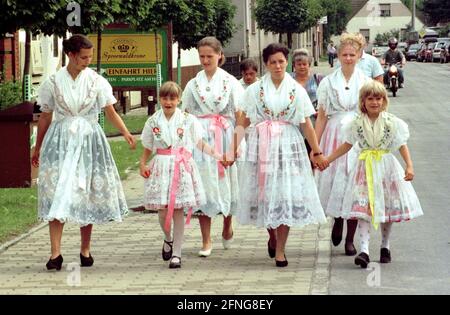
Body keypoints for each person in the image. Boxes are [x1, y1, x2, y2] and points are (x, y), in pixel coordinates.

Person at [31, 34, 136, 271]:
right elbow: (46, 115)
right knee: (56, 191)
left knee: (85, 191)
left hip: (89, 140)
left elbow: (109, 111)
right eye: (83, 57)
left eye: (90, 57)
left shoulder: (97, 81)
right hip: (60, 141)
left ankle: (85, 249)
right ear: (70, 55)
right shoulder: (53, 82)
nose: (88, 61)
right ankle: (55, 253)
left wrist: (126, 132)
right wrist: (38, 147)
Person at [232, 43, 328, 267]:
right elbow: (243, 121)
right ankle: (272, 235)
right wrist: (232, 147)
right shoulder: (254, 90)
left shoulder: (296, 89)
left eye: (281, 61)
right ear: (266, 64)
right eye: (273, 62)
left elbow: (306, 124)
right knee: (266, 193)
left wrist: (316, 150)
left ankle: (281, 251)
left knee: (285, 193)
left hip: (288, 144)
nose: (277, 66)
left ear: (287, 63)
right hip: (262, 143)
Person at [325, 80, 423, 268]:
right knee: (364, 210)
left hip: (386, 167)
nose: (374, 102)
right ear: (363, 101)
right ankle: (364, 250)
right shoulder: (355, 123)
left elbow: (401, 144)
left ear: (384, 100)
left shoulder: (392, 122)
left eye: (378, 98)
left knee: (386, 208)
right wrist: (329, 159)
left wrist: (409, 166)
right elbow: (347, 144)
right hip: (364, 169)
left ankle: (385, 246)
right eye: (370, 98)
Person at [139, 81, 224, 269]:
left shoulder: (188, 119)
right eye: (164, 98)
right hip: (161, 167)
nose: (168, 102)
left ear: (179, 99)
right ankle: (167, 238)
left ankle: (177, 253)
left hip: (181, 167)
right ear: (160, 99)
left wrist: (218, 156)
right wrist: (143, 163)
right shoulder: (153, 120)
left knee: (177, 209)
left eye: (172, 98)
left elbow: (199, 143)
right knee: (162, 211)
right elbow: (147, 145)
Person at [181, 36, 245, 257]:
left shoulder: (231, 82)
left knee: (227, 181)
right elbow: (186, 115)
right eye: (202, 56)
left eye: (210, 56)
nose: (206, 60)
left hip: (225, 135)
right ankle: (206, 239)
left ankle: (227, 224)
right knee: (204, 184)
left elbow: (240, 116)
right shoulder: (193, 83)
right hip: (201, 140)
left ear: (220, 56)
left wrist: (235, 146)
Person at [315, 33, 372, 256]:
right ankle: (337, 221)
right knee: (337, 181)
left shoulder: (366, 82)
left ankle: (351, 238)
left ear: (359, 55)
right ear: (337, 55)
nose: (348, 58)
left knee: (356, 185)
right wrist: (316, 147)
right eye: (344, 54)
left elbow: (373, 113)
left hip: (358, 137)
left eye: (352, 54)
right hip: (334, 135)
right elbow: (321, 116)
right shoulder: (328, 82)